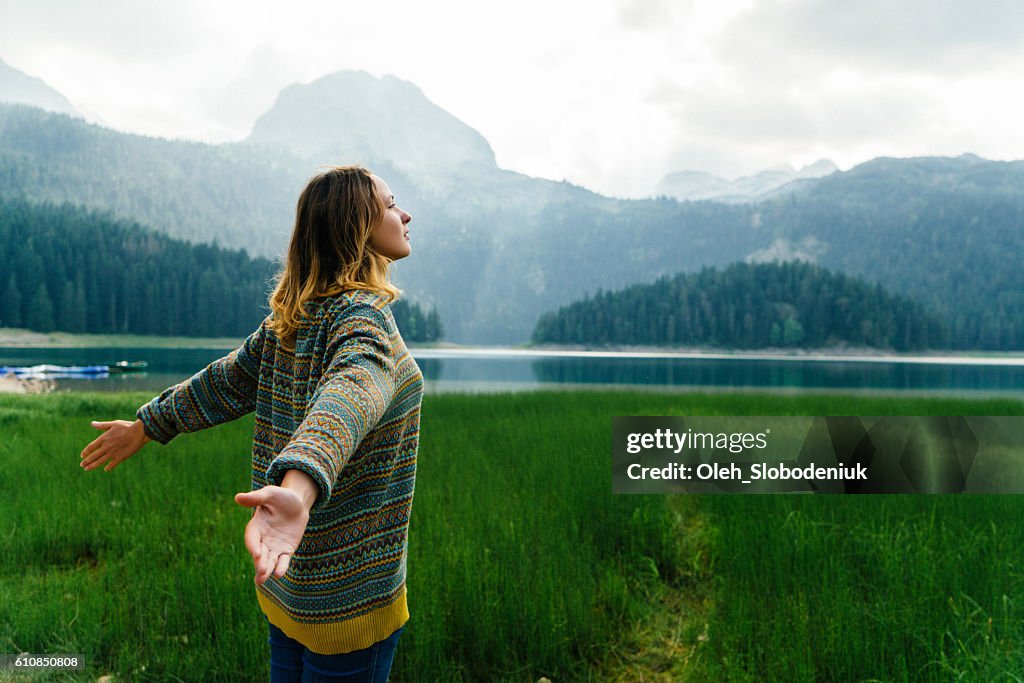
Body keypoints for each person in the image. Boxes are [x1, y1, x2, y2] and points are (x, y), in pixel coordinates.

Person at [78, 165, 423, 682]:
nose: (405, 213)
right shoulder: (362, 316)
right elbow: (352, 392)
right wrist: (301, 489)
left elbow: (226, 383)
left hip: (286, 584)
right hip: (347, 599)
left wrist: (147, 425)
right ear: (358, 225)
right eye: (392, 203)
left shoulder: (299, 315)